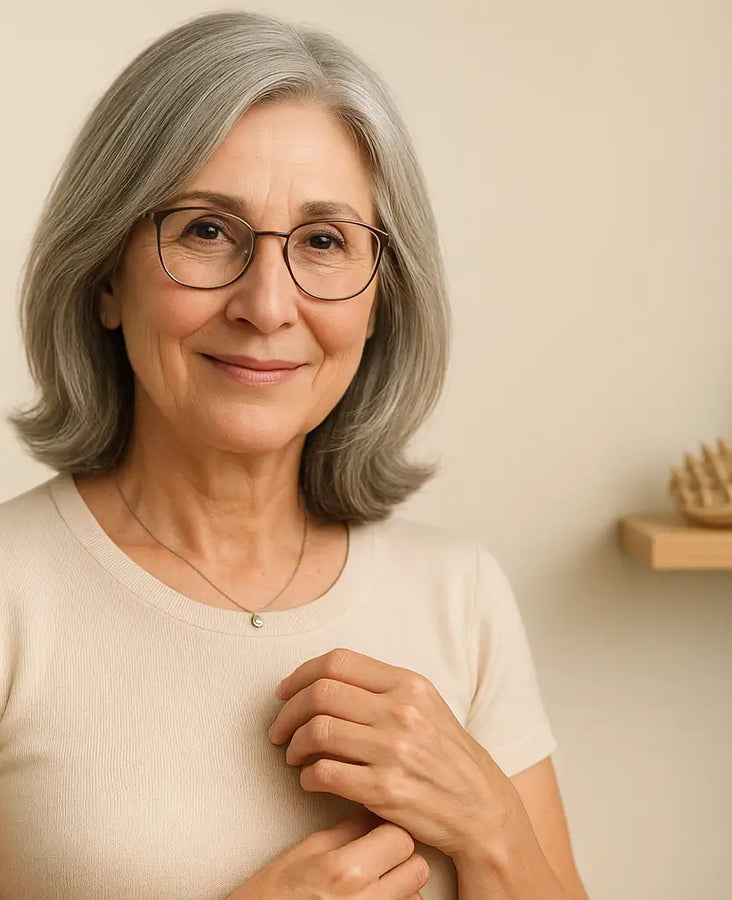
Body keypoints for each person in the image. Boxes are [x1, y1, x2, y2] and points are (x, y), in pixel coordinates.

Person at [0, 10, 587, 900]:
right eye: (205, 230)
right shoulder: (13, 595)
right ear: (106, 275)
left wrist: (493, 829)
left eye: (323, 241)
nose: (268, 305)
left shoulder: (459, 595)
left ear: (381, 298)